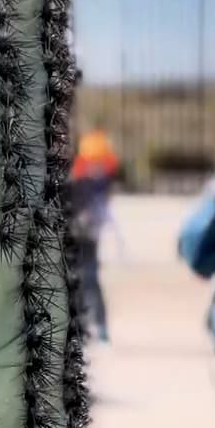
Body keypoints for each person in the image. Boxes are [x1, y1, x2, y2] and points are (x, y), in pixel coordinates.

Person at [69, 129, 123, 344]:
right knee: (77, 281)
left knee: (90, 279)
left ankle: (100, 325)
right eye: (94, 163)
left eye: (101, 163)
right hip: (74, 237)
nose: (97, 168)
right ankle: (81, 325)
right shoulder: (77, 182)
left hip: (89, 238)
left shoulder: (102, 185)